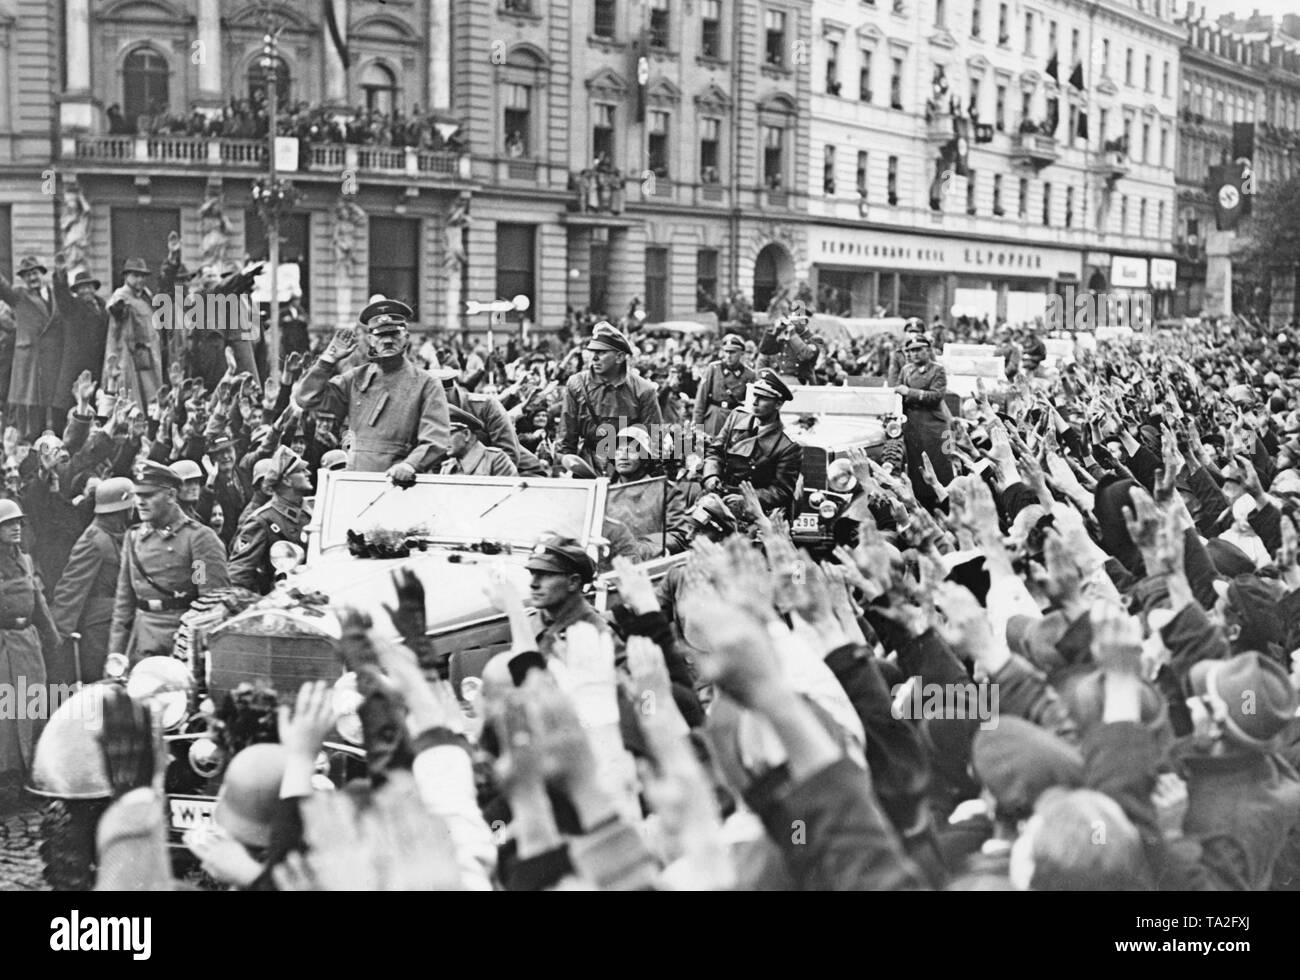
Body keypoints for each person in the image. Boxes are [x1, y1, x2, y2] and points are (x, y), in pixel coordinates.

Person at [293, 299, 450, 482]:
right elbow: (306, 398)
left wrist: (410, 465)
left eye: (395, 334)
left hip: (401, 483)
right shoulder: (355, 379)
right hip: (357, 479)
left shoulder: (426, 384)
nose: (388, 340)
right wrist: (327, 360)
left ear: (406, 337)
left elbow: (436, 438)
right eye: (381, 335)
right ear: (371, 340)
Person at [108, 461, 230, 666]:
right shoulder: (134, 538)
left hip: (182, 642)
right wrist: (115, 656)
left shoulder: (197, 539)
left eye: (148, 495)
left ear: (171, 496)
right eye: (137, 495)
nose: (140, 502)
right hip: (142, 641)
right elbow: (123, 604)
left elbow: (211, 602)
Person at [49, 477, 133, 684]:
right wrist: (58, 634)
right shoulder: (94, 539)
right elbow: (71, 587)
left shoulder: (117, 534)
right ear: (122, 509)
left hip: (119, 623)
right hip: (99, 631)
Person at [0, 499, 58, 790]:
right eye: (8, 524)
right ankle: (9, 777)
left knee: (33, 706)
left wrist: (51, 636)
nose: (16, 528)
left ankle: (31, 770)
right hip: (3, 644)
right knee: (8, 714)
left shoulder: (24, 559)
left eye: (18, 522)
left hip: (29, 642)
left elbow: (38, 600)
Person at [558, 322, 662, 474]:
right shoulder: (576, 384)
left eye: (601, 352)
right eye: (592, 351)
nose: (594, 358)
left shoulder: (643, 390)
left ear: (619, 357)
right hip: (588, 467)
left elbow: (654, 440)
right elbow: (566, 439)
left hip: (628, 470)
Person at [702, 369, 803, 516]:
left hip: (756, 510)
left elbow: (781, 491)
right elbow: (715, 452)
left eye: (763, 398)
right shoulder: (736, 417)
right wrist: (711, 476)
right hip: (720, 498)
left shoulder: (788, 446)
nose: (755, 402)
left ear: (778, 404)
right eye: (755, 395)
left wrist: (746, 500)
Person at [228, 447, 312, 595]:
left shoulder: (310, 512)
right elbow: (238, 574)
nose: (308, 473)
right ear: (286, 480)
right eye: (301, 471)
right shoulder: (262, 521)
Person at [0, 255, 59, 437]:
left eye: (35, 273)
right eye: (27, 275)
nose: (32, 278)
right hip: (29, 359)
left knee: (49, 404)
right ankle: (25, 442)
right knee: (28, 403)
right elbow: (3, 288)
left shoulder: (55, 295)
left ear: (42, 274)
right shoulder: (19, 295)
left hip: (50, 359)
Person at [525, 534, 609, 660]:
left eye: (545, 574)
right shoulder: (531, 622)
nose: (533, 584)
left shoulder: (599, 634)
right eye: (533, 573)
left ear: (573, 582)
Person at [893, 335, 953, 502]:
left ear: (928, 350)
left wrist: (910, 393)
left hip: (934, 424)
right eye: (911, 351)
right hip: (912, 424)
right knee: (915, 463)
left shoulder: (937, 370)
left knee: (939, 462)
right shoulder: (906, 370)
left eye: (919, 349)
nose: (915, 354)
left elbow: (937, 396)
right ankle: (920, 498)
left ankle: (942, 497)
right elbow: (898, 391)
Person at [106, 257, 162, 407]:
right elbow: (115, 309)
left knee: (152, 404)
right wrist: (119, 307)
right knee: (133, 404)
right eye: (135, 276)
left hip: (149, 359)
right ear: (126, 277)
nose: (140, 279)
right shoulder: (121, 296)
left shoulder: (145, 297)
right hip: (131, 360)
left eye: (142, 276)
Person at [693, 334, 757, 438]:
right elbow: (701, 400)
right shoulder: (713, 369)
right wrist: (697, 427)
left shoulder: (749, 374)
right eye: (726, 351)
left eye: (732, 352)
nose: (728, 355)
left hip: (735, 420)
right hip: (714, 418)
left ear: (741, 353)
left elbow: (750, 405)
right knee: (708, 449)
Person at [439, 406, 518, 477]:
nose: (444, 441)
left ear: (466, 434)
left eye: (449, 435)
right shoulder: (447, 468)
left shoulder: (497, 461)